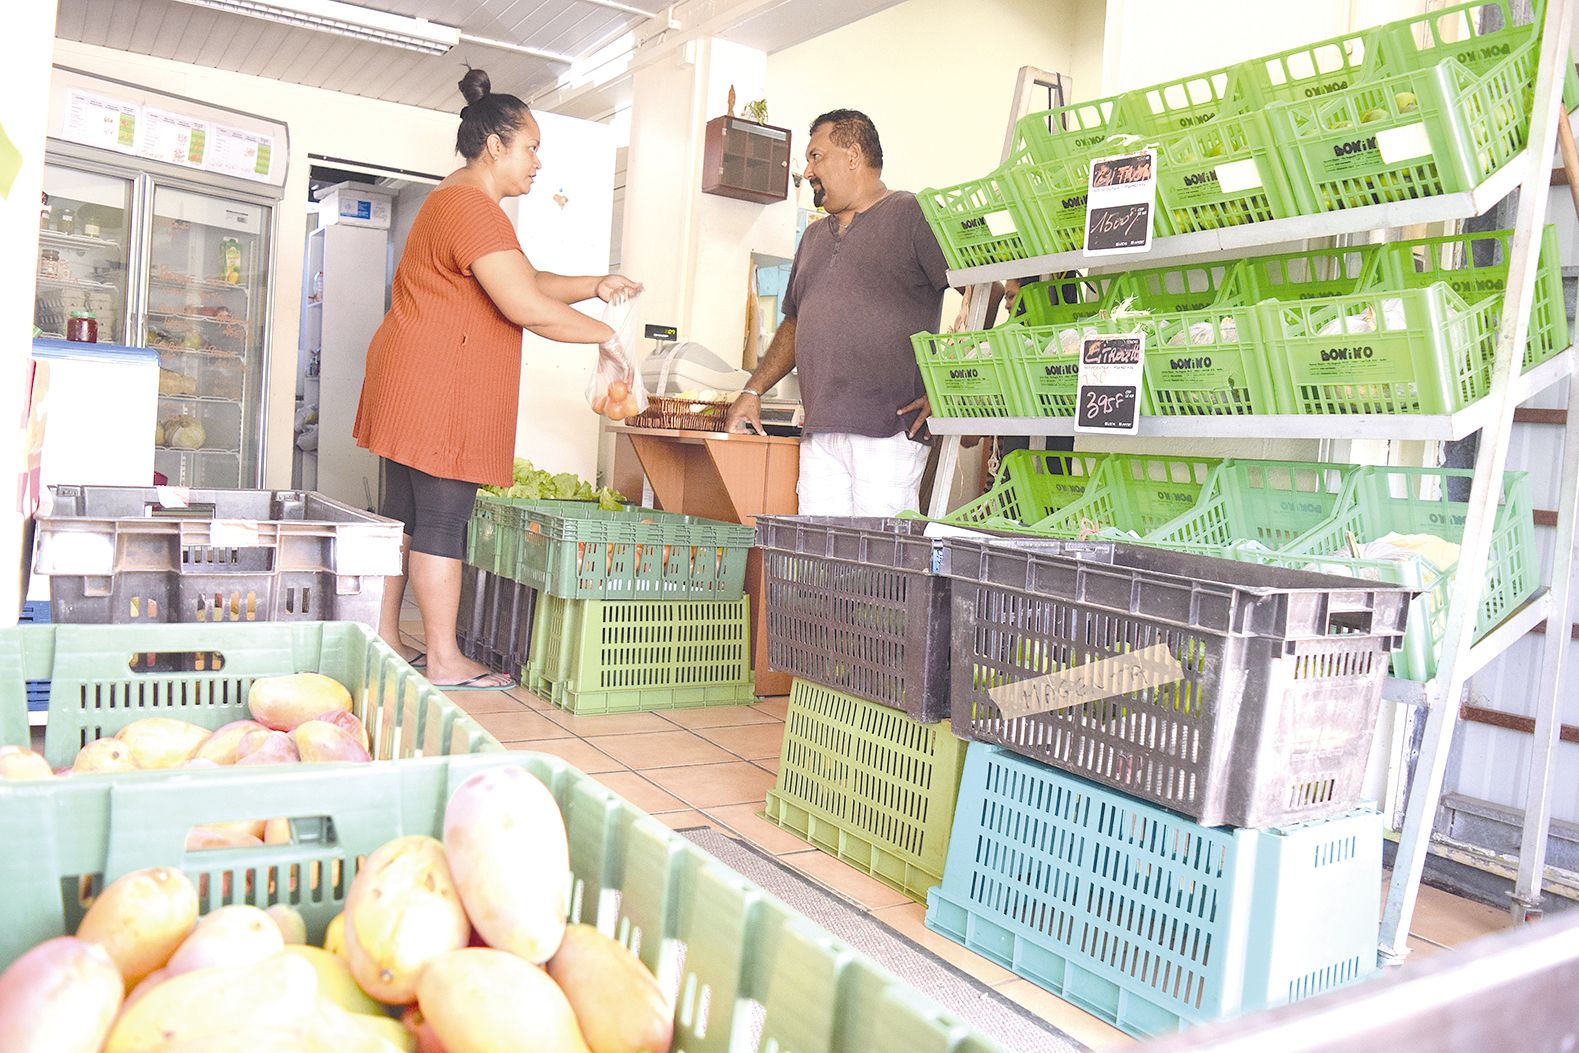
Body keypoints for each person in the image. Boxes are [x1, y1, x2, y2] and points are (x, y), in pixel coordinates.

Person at [354, 68, 641, 689]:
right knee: (440, 521)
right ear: (496, 146)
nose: (539, 162)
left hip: (411, 381)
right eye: (532, 147)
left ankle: (385, 636)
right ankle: (445, 658)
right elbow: (526, 306)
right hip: (441, 389)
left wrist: (597, 285)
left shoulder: (455, 201)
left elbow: (527, 280)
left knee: (403, 517)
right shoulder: (472, 208)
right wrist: (608, 338)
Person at [723, 109, 948, 516]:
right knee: (818, 567)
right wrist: (752, 391)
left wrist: (948, 387)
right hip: (821, 431)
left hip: (887, 433)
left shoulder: (911, 214)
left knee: (880, 569)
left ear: (852, 155)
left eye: (816, 156)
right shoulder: (812, 237)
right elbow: (794, 324)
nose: (807, 171)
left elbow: (985, 287)